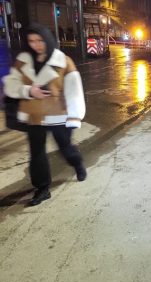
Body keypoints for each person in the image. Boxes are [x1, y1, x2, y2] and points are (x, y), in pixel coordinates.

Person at [2, 24, 87, 206]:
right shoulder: (23, 60)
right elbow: (10, 86)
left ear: (47, 39)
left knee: (66, 148)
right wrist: (29, 91)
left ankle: (78, 165)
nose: (36, 45)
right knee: (37, 154)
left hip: (59, 115)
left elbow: (74, 91)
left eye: (39, 40)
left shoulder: (64, 61)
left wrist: (75, 116)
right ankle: (42, 189)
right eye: (31, 41)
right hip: (34, 116)